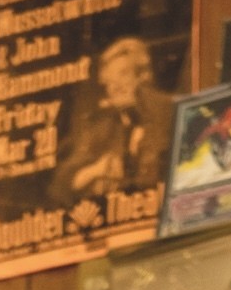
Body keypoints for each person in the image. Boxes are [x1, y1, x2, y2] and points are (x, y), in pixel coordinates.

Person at [54, 36, 169, 213]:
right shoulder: (101, 130)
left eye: (123, 74)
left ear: (142, 75)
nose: (115, 87)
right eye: (109, 82)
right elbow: (62, 183)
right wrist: (96, 170)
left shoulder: (167, 114)